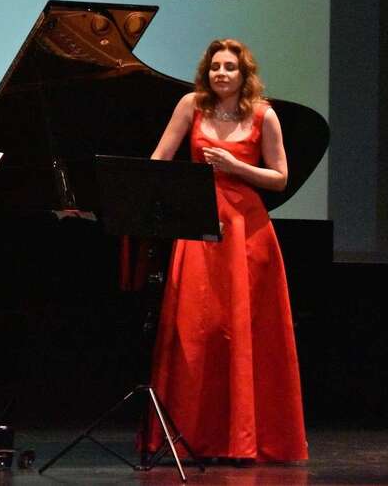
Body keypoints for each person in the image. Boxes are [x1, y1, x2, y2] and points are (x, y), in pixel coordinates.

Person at [146, 39, 308, 463]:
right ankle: (192, 436)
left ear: (243, 74)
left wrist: (236, 167)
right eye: (215, 66)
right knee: (197, 329)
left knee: (242, 330)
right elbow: (159, 159)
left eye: (230, 67)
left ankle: (242, 440)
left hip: (246, 232)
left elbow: (280, 177)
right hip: (199, 227)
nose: (221, 73)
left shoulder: (264, 115)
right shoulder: (191, 106)